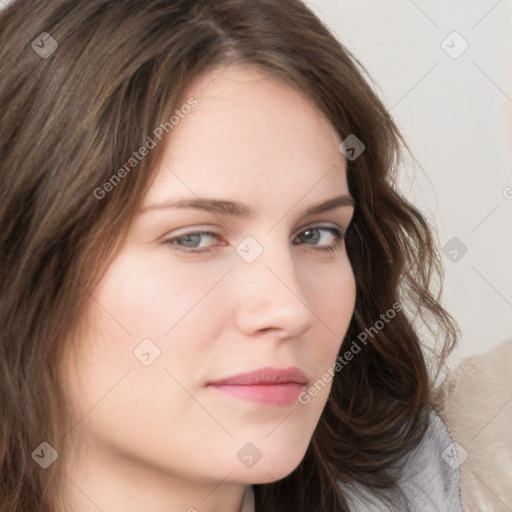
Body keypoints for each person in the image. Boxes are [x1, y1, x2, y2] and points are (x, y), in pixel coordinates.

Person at [0, 0, 462, 511]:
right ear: (21, 260)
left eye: (316, 234)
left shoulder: (454, 482)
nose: (290, 311)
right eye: (193, 238)